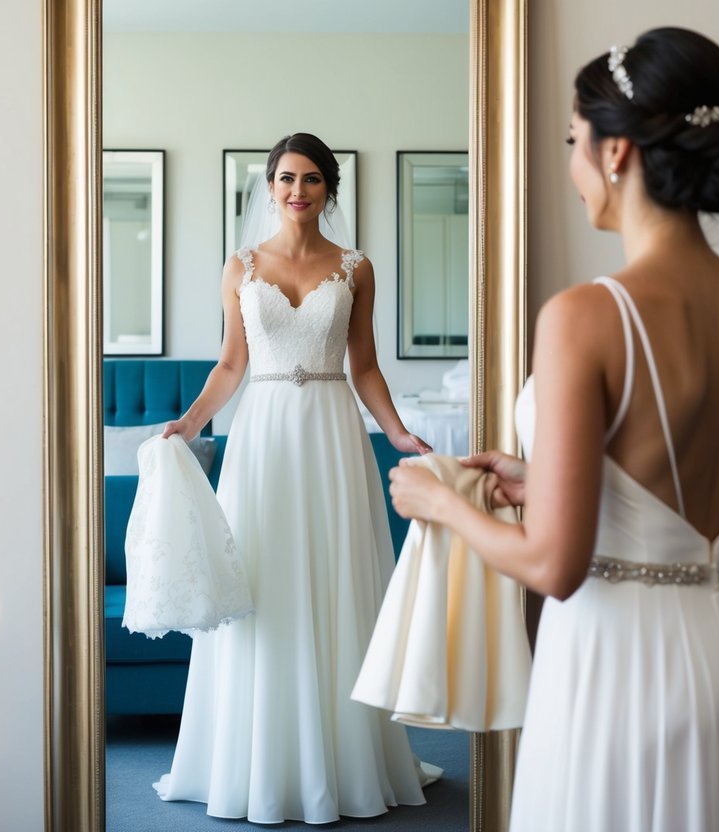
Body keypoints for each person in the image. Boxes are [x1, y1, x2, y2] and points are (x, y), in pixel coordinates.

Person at [388, 28, 719, 831]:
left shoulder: (585, 316)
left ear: (615, 152)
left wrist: (442, 506)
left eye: (572, 141)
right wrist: (549, 482)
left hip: (618, 674)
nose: (573, 165)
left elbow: (554, 566)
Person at [154, 132, 439, 824]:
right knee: (261, 577)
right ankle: (255, 759)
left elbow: (364, 365)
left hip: (332, 432)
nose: (297, 190)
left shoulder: (356, 268)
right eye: (286, 178)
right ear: (270, 185)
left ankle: (341, 758)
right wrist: (189, 421)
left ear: (328, 188)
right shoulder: (240, 267)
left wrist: (399, 433)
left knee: (334, 576)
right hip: (263, 437)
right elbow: (231, 364)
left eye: (311, 179)